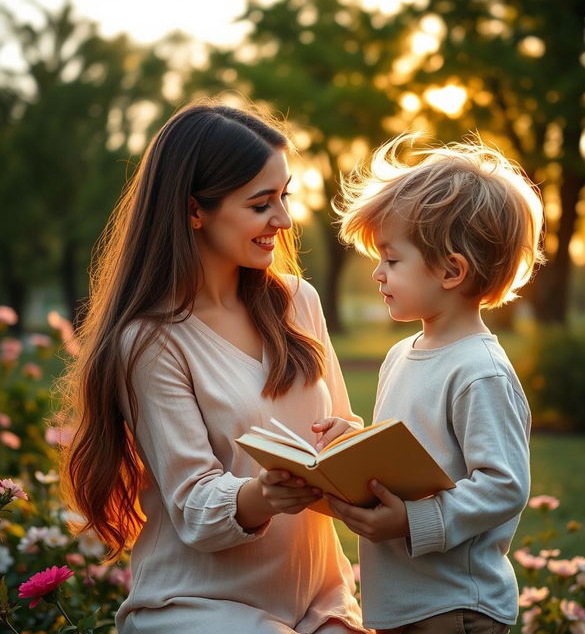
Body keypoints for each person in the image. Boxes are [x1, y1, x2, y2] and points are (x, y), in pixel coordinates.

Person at [60, 99, 368, 634]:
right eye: (260, 204)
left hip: (319, 602)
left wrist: (347, 439)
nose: (284, 220)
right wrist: (264, 494)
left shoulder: (299, 302)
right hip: (200, 608)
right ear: (194, 210)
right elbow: (194, 505)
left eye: (284, 196)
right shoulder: (151, 342)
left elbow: (340, 425)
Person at [330, 136, 545, 634]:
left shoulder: (479, 371)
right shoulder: (400, 355)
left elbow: (504, 485)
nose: (377, 273)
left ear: (452, 270)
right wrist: (351, 444)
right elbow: (410, 452)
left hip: (456, 609)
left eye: (392, 259)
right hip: (404, 603)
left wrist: (412, 521)